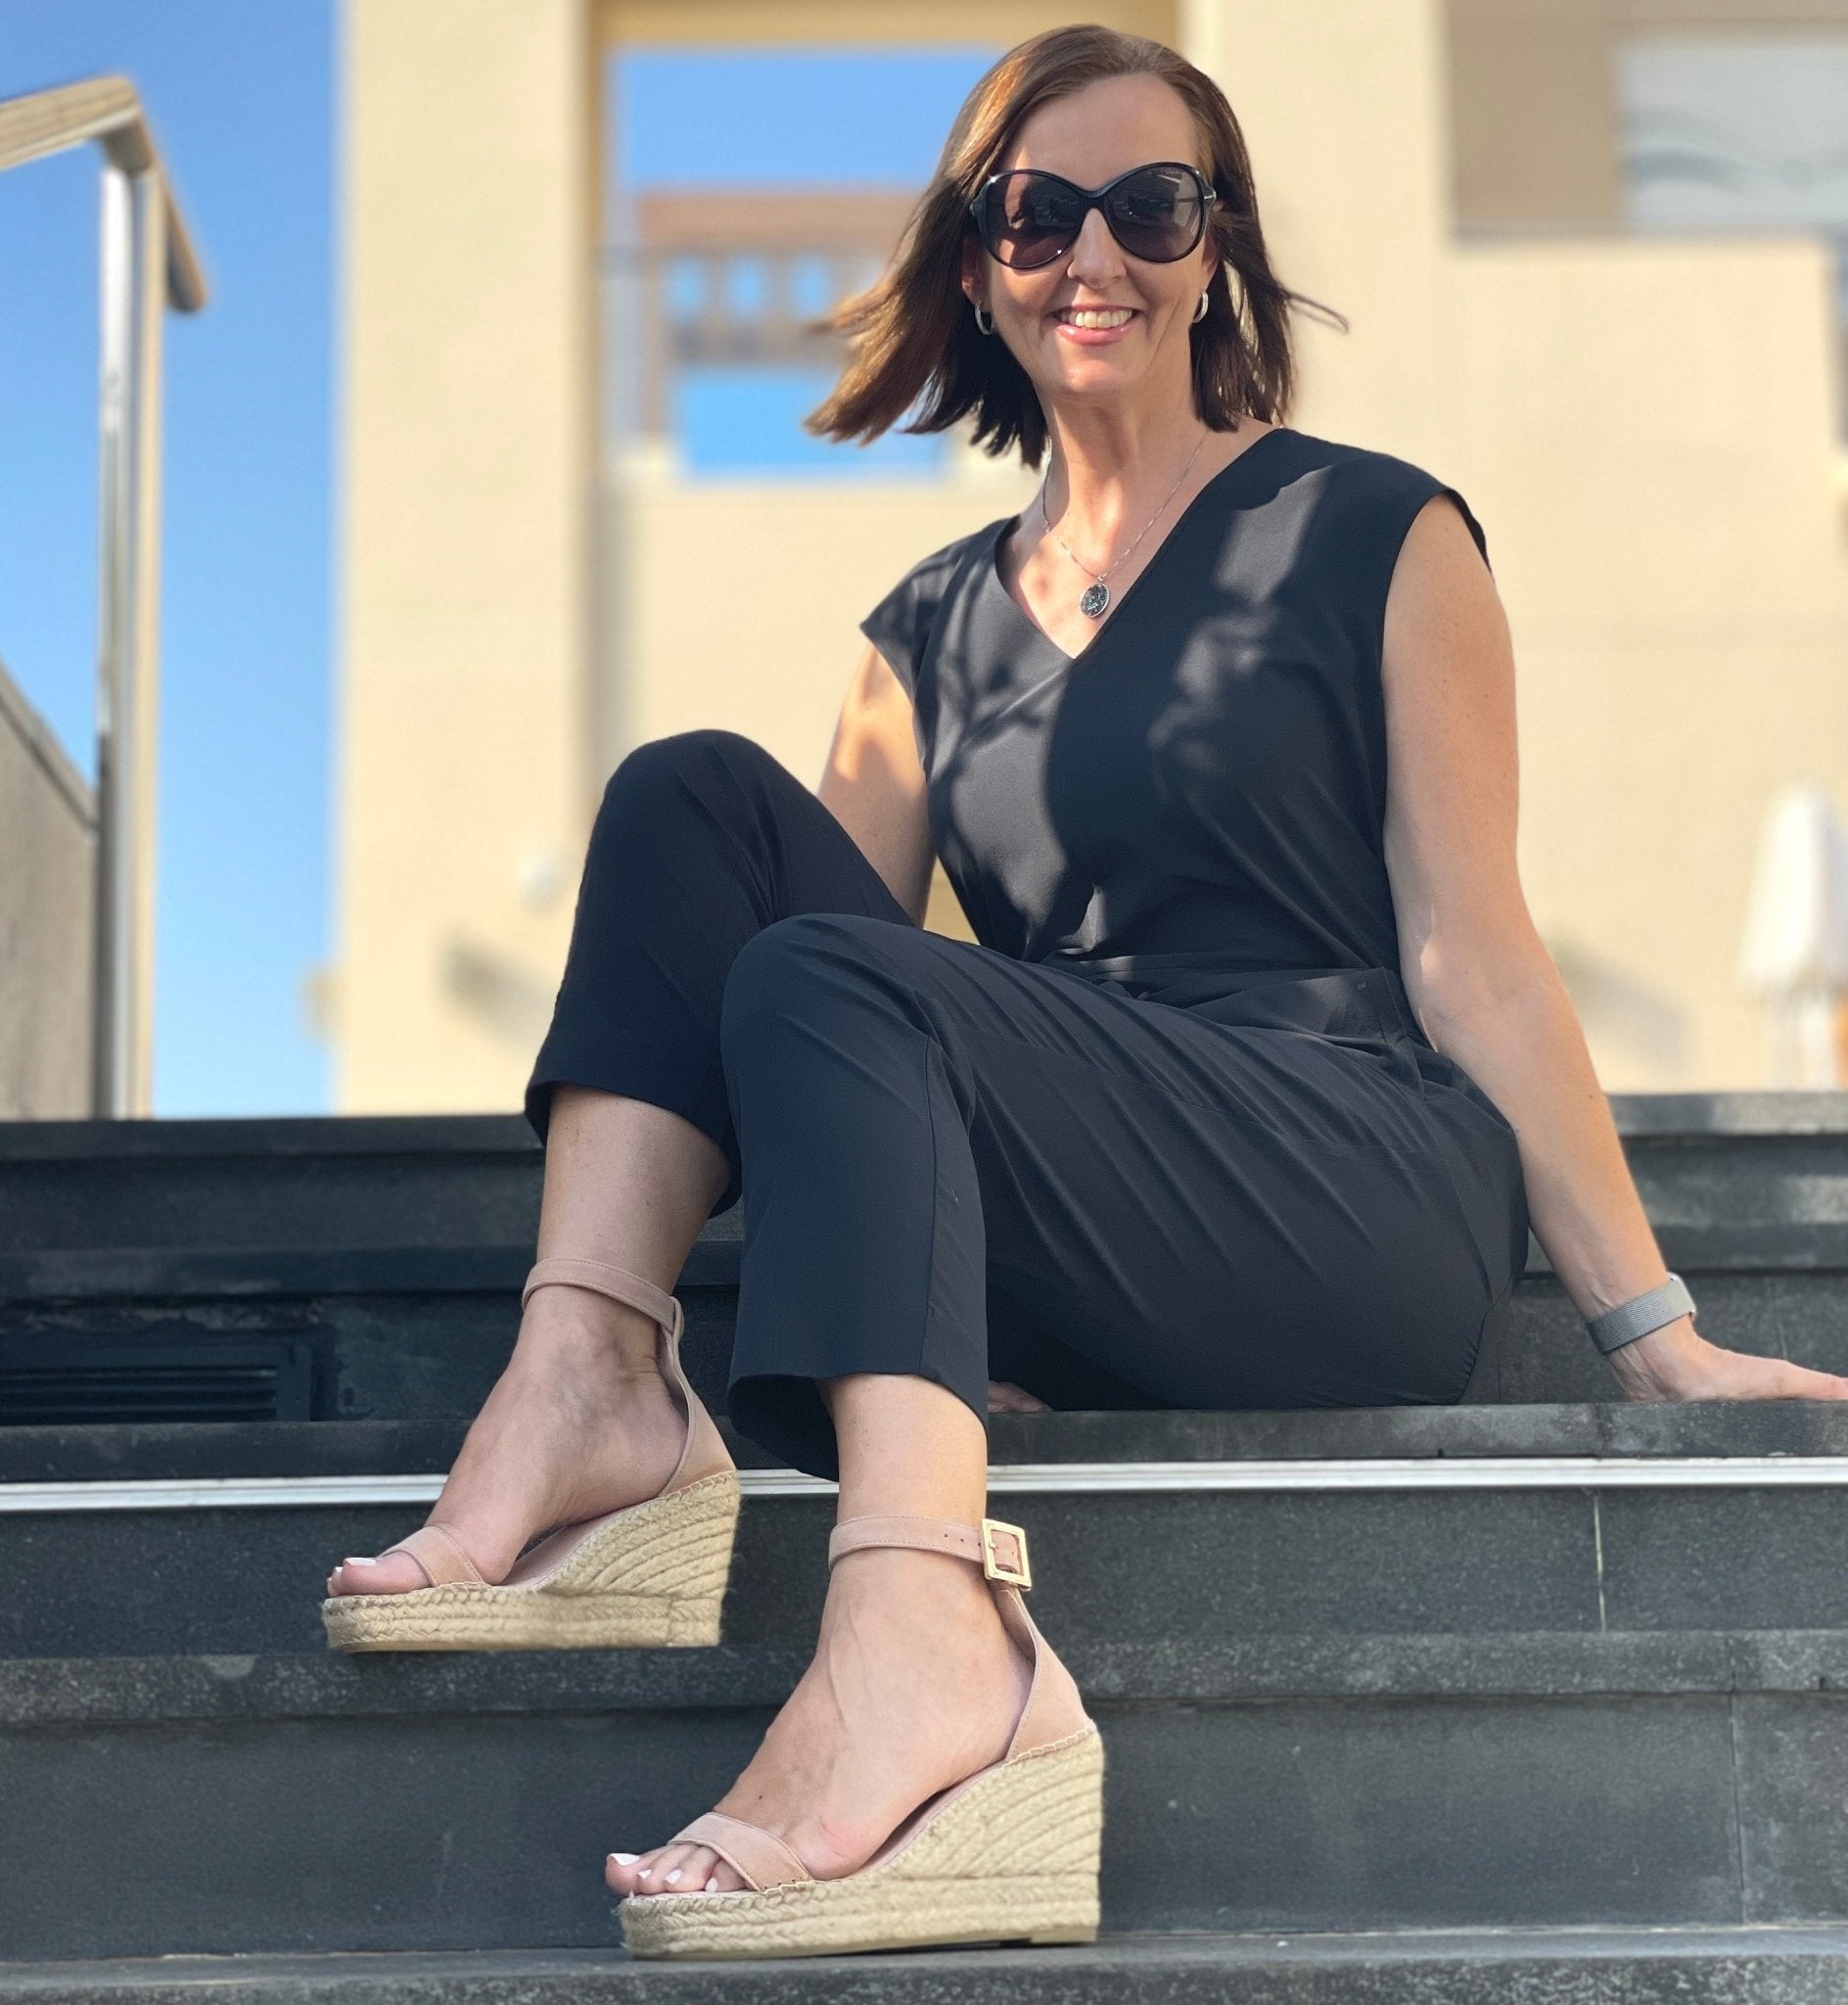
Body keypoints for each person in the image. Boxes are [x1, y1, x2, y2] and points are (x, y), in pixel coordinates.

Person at [321, 22, 1848, 1963]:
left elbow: (1476, 958)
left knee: (839, 980)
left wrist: (1657, 1336)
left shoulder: (1376, 533)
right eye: (1039, 212)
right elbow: (791, 1017)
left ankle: (927, 1633)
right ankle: (593, 1376)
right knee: (690, 804)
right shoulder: (928, 630)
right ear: (979, 264)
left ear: (1218, 250)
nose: (1095, 254)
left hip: (1348, 1182)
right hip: (1091, 1205)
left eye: (1154, 205)